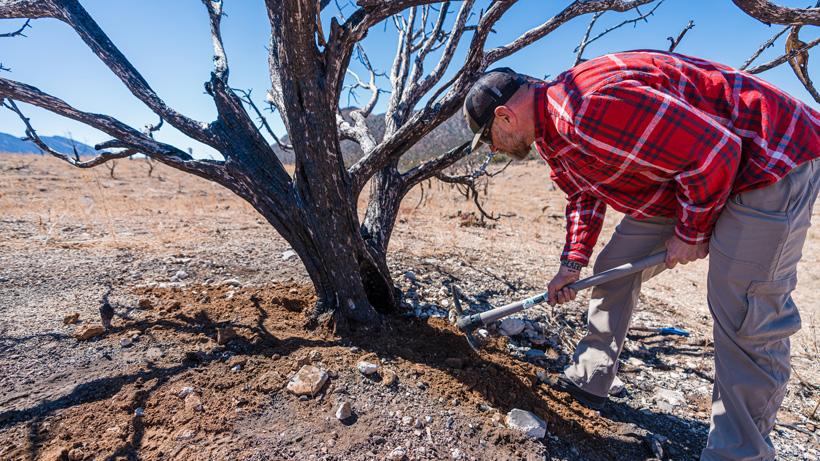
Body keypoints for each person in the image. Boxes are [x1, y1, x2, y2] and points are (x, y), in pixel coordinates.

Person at [462, 50, 819, 461]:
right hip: (698, 176)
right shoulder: (553, 131)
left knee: (743, 308)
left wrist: (692, 231)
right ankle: (590, 376)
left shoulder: (585, 107)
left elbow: (717, 151)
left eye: (489, 138)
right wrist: (570, 264)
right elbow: (584, 193)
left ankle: (739, 453)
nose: (493, 148)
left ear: (505, 116)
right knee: (613, 267)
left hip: (768, 158)